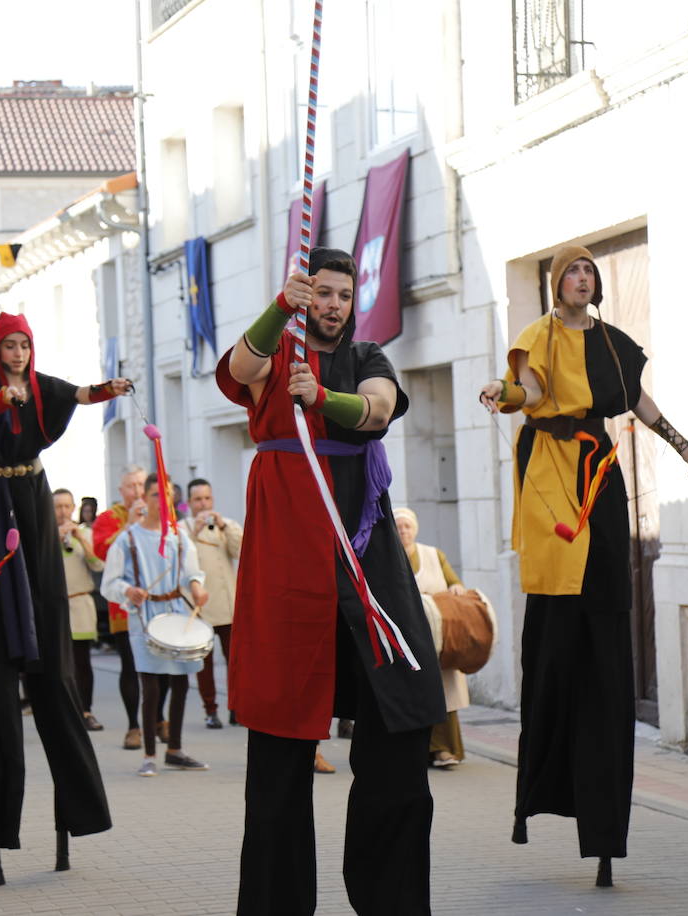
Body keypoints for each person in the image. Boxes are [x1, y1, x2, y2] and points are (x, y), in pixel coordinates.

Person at [218, 247, 445, 914]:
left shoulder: (367, 357)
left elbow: (377, 409)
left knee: (404, 718)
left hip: (364, 551)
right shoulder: (276, 352)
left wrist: (322, 398)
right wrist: (277, 309)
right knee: (279, 753)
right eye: (321, 292)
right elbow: (240, 368)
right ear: (302, 296)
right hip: (290, 552)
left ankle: (391, 899)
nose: (334, 304)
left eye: (343, 294)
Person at [479, 244, 688, 889]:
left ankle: (605, 826)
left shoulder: (611, 343)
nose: (582, 279)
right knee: (558, 608)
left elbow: (637, 400)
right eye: (572, 272)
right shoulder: (538, 336)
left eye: (588, 272)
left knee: (606, 608)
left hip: (599, 473)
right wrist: (505, 390)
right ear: (557, 285)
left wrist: (683, 443)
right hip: (550, 469)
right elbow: (532, 390)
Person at [0, 310, 125, 882]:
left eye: (25, 344)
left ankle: (77, 816)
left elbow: (78, 393)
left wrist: (110, 389)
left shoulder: (42, 382)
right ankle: (1, 831)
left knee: (54, 669)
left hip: (33, 491)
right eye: (12, 345)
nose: (20, 352)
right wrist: (5, 400)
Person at [99, 475, 211, 776]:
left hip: (176, 612)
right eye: (155, 495)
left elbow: (191, 572)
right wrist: (128, 591)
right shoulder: (128, 538)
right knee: (149, 685)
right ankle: (149, 754)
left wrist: (198, 588)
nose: (161, 502)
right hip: (145, 616)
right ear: (144, 499)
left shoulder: (178, 536)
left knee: (180, 683)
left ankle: (174, 749)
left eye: (167, 496)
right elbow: (110, 582)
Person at [393, 507, 495, 769]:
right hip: (407, 636)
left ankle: (444, 749)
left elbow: (454, 582)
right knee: (411, 693)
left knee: (444, 691)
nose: (404, 531)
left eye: (407, 526)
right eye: (399, 526)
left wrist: (456, 587)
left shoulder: (433, 555)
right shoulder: (388, 556)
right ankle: (414, 752)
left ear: (414, 529)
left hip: (440, 633)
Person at [91, 465, 149, 750]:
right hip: (123, 604)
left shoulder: (157, 513)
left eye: (141, 485)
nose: (137, 492)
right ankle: (133, 726)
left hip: (155, 600)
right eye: (131, 486)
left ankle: (158, 719)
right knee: (130, 665)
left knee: (159, 668)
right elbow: (101, 550)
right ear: (121, 490)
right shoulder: (107, 518)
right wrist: (129, 526)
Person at [184, 478, 241, 730]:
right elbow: (180, 559)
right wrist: (195, 534)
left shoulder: (225, 525)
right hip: (200, 608)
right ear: (189, 503)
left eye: (206, 498)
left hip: (228, 607)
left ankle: (236, 708)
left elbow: (241, 549)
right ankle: (210, 710)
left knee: (236, 662)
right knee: (204, 666)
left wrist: (224, 526)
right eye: (198, 499)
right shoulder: (182, 528)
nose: (203, 503)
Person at [54, 488, 103, 732]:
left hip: (82, 602)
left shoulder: (86, 533)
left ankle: (86, 710)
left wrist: (80, 538)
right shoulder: (46, 534)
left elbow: (97, 564)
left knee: (82, 661)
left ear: (73, 508)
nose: (63, 511)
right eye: (58, 507)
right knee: (61, 663)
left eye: (66, 506)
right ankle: (64, 712)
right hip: (58, 606)